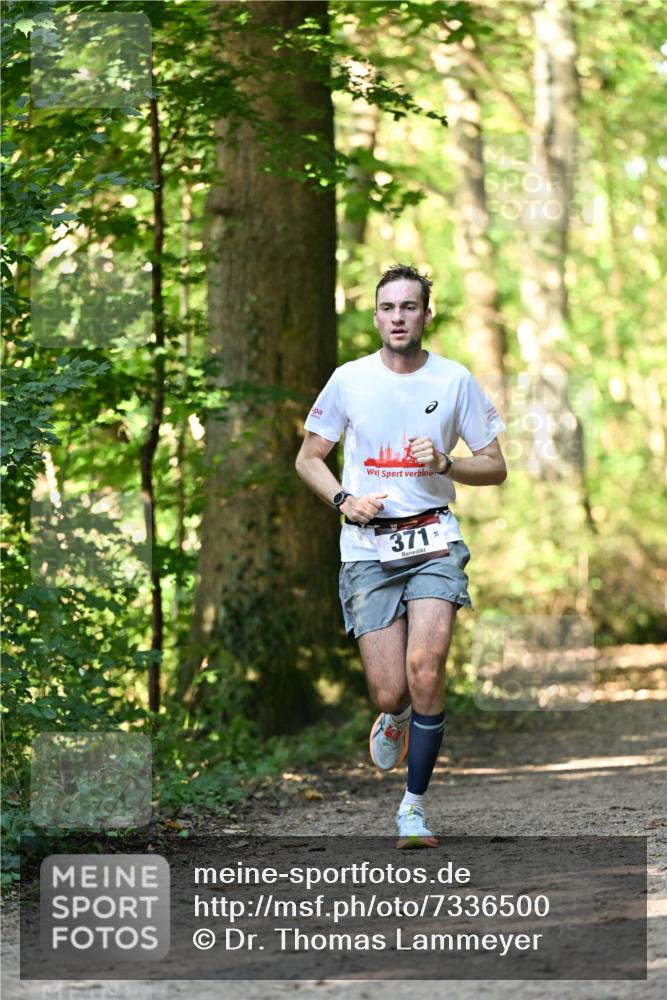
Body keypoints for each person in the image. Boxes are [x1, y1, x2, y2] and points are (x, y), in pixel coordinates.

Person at [295, 264, 507, 848]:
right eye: (388, 308)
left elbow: (496, 466)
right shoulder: (349, 380)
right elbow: (308, 458)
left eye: (409, 307)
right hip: (368, 548)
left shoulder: (455, 380)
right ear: (376, 317)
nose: (398, 317)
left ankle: (413, 807)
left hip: (435, 539)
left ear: (425, 314)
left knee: (426, 668)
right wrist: (345, 500)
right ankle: (393, 716)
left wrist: (446, 463)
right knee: (391, 690)